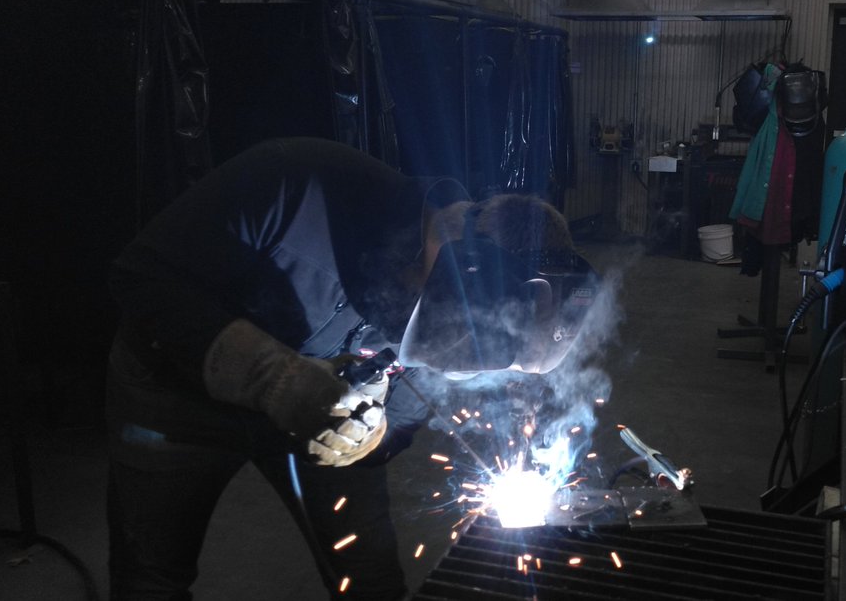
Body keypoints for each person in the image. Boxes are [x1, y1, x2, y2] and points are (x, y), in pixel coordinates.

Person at [105, 137, 590, 600]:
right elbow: (141, 278)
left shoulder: (453, 333)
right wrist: (274, 378)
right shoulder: (293, 180)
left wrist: (367, 435)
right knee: (151, 582)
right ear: (464, 269)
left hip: (323, 416)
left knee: (372, 583)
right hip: (174, 399)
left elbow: (399, 419)